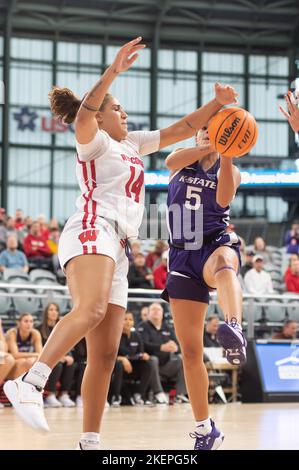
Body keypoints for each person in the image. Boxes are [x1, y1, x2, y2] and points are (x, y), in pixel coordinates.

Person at [4, 36, 238, 450]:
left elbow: (183, 129)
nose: (124, 113)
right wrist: (112, 72)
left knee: (107, 353)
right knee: (90, 309)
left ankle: (90, 441)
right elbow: (88, 110)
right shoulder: (93, 140)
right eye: (117, 108)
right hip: (94, 226)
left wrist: (217, 105)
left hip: (121, 246)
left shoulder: (132, 143)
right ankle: (30, 381)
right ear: (99, 116)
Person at [161, 124, 246, 450]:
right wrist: (208, 147)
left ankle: (234, 328)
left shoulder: (232, 169)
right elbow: (170, 159)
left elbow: (224, 196)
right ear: (196, 136)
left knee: (226, 266)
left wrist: (225, 156)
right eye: (204, 131)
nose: (208, 133)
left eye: (216, 130)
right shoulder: (181, 162)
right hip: (182, 256)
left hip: (213, 243)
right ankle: (205, 428)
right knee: (191, 351)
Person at [109, 311, 154, 406]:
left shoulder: (136, 335)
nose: (128, 322)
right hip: (117, 369)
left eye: (130, 319)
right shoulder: (115, 336)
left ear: (133, 322)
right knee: (119, 365)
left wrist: (144, 355)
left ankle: (140, 395)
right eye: (125, 319)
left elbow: (140, 352)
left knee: (148, 364)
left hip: (133, 367)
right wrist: (123, 359)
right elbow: (110, 355)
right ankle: (116, 397)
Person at [37, 303, 75, 408]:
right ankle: (50, 394)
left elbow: (67, 344)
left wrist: (69, 355)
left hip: (60, 357)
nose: (54, 312)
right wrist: (58, 357)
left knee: (71, 364)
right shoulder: (39, 329)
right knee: (57, 364)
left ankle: (64, 394)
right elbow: (42, 349)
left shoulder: (62, 328)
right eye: (51, 310)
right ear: (46, 313)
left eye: (56, 310)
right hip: (45, 358)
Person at [5, 314, 42, 378]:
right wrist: (34, 354)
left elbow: (40, 354)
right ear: (18, 323)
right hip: (9, 362)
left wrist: (33, 356)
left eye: (31, 321)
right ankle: (16, 385)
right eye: (26, 321)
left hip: (26, 360)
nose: (29, 324)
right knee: (21, 362)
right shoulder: (12, 333)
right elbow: (15, 355)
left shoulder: (35, 333)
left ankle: (29, 385)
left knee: (32, 361)